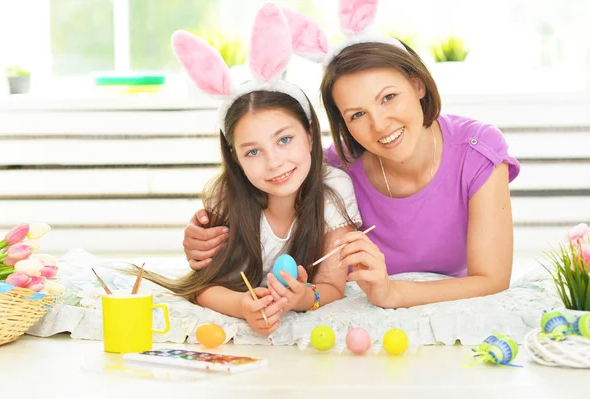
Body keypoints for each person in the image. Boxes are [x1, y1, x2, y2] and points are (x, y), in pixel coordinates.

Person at [182, 0, 520, 310]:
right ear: (340, 122)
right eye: (356, 114)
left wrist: (392, 293)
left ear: (418, 84)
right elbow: (265, 212)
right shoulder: (334, 169)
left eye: (388, 97)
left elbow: (492, 280)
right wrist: (203, 241)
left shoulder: (477, 151)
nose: (380, 124)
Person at [138, 4, 361, 335]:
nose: (274, 163)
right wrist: (242, 306)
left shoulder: (334, 189)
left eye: (284, 139)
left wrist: (302, 298)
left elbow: (331, 286)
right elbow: (203, 286)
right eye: (253, 151)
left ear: (310, 133)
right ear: (235, 157)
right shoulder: (227, 196)